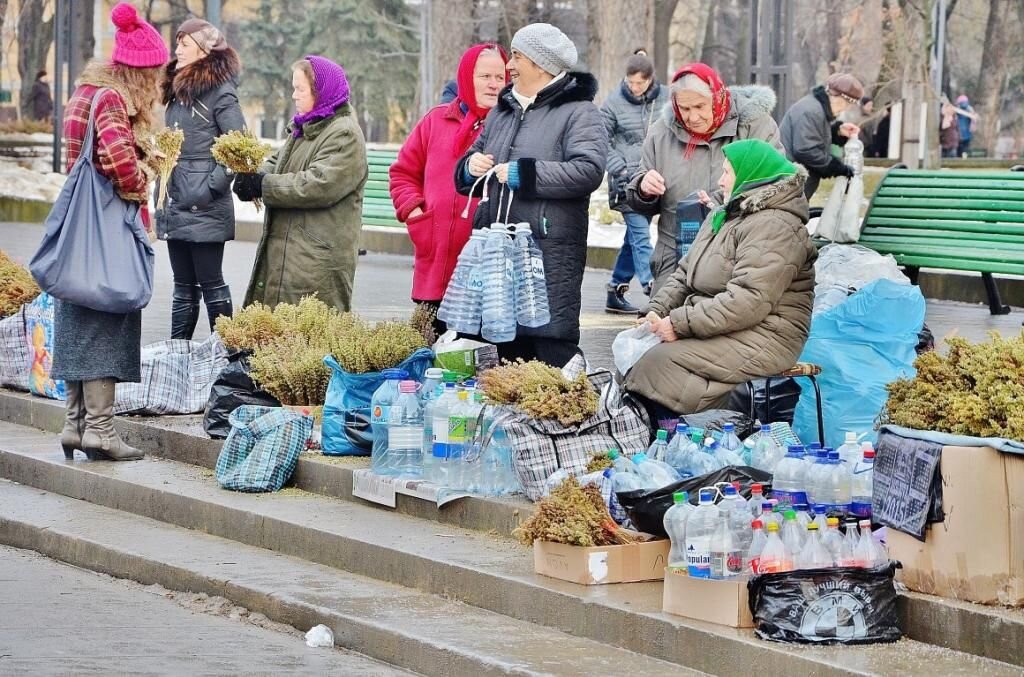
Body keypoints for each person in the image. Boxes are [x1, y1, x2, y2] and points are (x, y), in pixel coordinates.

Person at [624, 139, 816, 419]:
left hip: (767, 335)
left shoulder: (776, 225)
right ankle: (648, 429)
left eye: (727, 172)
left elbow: (747, 301)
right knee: (638, 351)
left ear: (751, 176)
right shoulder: (724, 216)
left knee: (660, 362)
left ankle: (674, 434)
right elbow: (683, 274)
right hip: (727, 324)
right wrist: (656, 310)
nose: (720, 180)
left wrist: (679, 324)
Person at [52, 3, 168, 461]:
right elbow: (119, 164)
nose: (157, 84)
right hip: (109, 231)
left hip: (79, 232)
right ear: (140, 71)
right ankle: (101, 430)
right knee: (107, 317)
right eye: (155, 74)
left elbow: (74, 159)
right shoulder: (114, 100)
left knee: (79, 317)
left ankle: (74, 425)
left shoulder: (85, 92)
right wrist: (145, 177)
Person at [455, 23, 607, 368]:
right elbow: (466, 173)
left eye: (517, 56)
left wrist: (525, 173)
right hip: (496, 254)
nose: (509, 65)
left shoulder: (580, 112)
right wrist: (470, 167)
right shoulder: (502, 110)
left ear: (541, 64)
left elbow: (588, 171)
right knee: (502, 354)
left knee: (549, 354)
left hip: (547, 254)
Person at [625, 63, 781, 294]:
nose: (692, 117)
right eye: (684, 108)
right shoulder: (661, 132)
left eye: (700, 106)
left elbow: (774, 183)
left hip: (737, 253)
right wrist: (643, 188)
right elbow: (639, 192)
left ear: (717, 98)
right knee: (663, 324)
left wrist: (717, 204)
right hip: (675, 255)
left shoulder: (755, 127)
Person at [390, 44, 508, 335]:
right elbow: (402, 173)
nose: (494, 84)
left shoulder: (510, 126)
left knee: (475, 361)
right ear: (467, 77)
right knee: (428, 351)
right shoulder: (436, 119)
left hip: (483, 274)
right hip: (434, 263)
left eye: (500, 77)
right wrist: (417, 215)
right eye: (485, 76)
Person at [234, 55, 367, 312]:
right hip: (291, 252)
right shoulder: (306, 126)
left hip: (316, 257)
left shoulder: (344, 133)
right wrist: (252, 175)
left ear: (321, 91)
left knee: (307, 337)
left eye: (300, 89)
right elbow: (279, 162)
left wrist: (264, 185)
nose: (293, 95)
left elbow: (317, 184)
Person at [157, 18, 245, 340]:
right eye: (177, 41)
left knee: (211, 282)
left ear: (204, 48)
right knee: (182, 286)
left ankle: (224, 355)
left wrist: (209, 188)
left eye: (184, 42)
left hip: (204, 205)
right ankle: (177, 355)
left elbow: (240, 147)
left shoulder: (220, 92)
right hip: (176, 199)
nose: (177, 47)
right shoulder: (177, 91)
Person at [602, 54, 667, 314]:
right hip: (625, 182)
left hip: (655, 182)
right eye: (630, 82)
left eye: (639, 83)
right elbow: (599, 138)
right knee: (640, 235)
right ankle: (652, 285)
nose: (633, 87)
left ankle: (615, 289)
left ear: (650, 80)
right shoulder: (613, 102)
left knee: (633, 239)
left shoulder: (666, 99)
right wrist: (619, 167)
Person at [779, 72, 864, 198]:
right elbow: (806, 150)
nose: (845, 109)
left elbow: (814, 136)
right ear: (836, 96)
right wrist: (836, 167)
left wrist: (837, 131)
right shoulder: (812, 111)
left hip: (791, 183)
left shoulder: (816, 108)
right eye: (846, 104)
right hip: (789, 184)